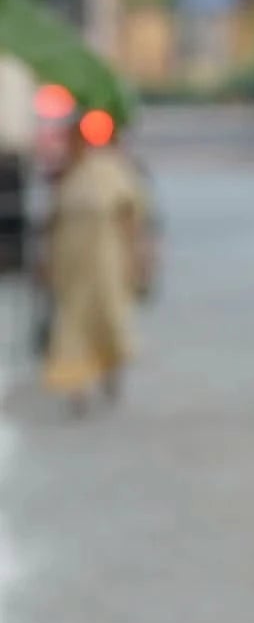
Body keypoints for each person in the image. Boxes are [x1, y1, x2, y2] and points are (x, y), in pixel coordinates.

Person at [41, 112, 148, 413]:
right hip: (71, 263)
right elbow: (52, 223)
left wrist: (139, 259)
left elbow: (131, 219)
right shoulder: (68, 174)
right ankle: (77, 386)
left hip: (107, 261)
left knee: (108, 319)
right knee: (72, 325)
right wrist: (46, 261)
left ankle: (110, 371)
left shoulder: (114, 171)